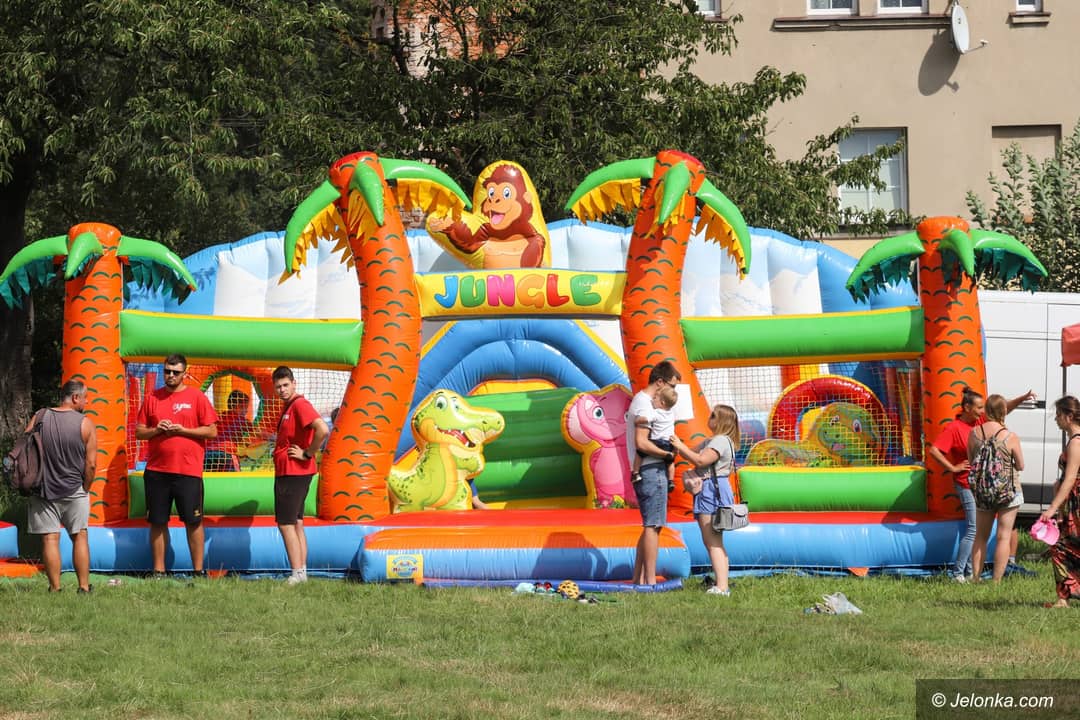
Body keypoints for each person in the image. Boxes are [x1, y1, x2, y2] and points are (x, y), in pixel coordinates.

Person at [927, 386, 1035, 582]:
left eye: (984, 408)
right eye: (978, 408)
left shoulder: (978, 425)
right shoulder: (954, 428)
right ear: (967, 407)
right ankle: (959, 572)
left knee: (978, 532)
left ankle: (971, 572)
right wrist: (952, 468)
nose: (982, 411)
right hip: (970, 485)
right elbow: (934, 450)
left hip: (982, 486)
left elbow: (1002, 409)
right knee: (974, 530)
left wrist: (1021, 398)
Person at [134, 354, 218, 578]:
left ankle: (198, 571)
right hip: (157, 472)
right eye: (167, 371)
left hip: (188, 472)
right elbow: (139, 432)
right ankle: (159, 571)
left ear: (184, 373)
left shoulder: (197, 397)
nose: (170, 376)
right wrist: (157, 430)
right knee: (157, 522)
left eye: (175, 372)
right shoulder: (152, 398)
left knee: (193, 521)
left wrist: (183, 430)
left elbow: (212, 431)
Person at [27, 380, 97, 593]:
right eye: (85, 398)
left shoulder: (39, 416)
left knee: (50, 538)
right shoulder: (85, 424)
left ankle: (55, 588)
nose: (86, 402)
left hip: (43, 489)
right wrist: (86, 487)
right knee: (80, 536)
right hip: (74, 488)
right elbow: (91, 464)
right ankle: (83, 587)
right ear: (75, 397)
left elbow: (26, 448)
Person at [671, 404, 739, 596]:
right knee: (716, 541)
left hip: (711, 490)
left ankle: (722, 587)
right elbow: (693, 453)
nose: (709, 417)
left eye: (714, 415)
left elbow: (701, 460)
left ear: (722, 421)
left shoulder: (720, 441)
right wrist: (679, 446)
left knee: (712, 541)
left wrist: (680, 446)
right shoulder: (717, 440)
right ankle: (722, 582)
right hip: (716, 489)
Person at [271, 366, 329, 585]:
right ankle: (301, 571)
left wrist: (308, 453)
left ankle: (297, 572)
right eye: (278, 387)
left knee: (286, 523)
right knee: (296, 523)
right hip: (293, 471)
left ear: (294, 383)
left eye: (286, 385)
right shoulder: (289, 407)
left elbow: (322, 429)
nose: (282, 390)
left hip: (293, 472)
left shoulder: (300, 405)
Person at [627, 360, 681, 585]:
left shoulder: (647, 403)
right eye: (671, 386)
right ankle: (650, 580)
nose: (673, 391)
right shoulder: (646, 405)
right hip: (652, 470)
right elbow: (642, 442)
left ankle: (639, 577)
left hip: (648, 470)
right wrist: (667, 455)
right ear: (660, 382)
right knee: (653, 526)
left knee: (650, 524)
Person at [966, 394, 1024, 582]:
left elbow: (971, 461)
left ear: (986, 410)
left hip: (983, 491)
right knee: (1003, 536)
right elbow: (1021, 465)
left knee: (980, 537)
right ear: (1003, 411)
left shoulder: (974, 434)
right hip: (1008, 491)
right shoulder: (1010, 436)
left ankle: (976, 577)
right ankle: (996, 581)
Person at [1041, 395, 1080, 608]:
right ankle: (1063, 597)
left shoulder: (1075, 442)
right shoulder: (1074, 440)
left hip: (1076, 504)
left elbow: (1071, 479)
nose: (1056, 419)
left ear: (1069, 416)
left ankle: (1063, 598)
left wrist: (1052, 508)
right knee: (1065, 546)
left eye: (1058, 415)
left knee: (1059, 546)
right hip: (1072, 503)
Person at [630, 385, 679, 492]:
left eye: (655, 398)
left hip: (657, 441)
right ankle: (671, 480)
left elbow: (646, 419)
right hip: (668, 443)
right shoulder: (672, 414)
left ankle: (635, 473)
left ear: (662, 403)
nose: (652, 399)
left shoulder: (656, 412)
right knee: (670, 462)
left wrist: (637, 421)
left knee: (640, 452)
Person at [205, 390, 255, 471]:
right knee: (234, 476)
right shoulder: (242, 420)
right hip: (226, 453)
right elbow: (258, 433)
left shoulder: (219, 417)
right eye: (245, 407)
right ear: (238, 406)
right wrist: (272, 437)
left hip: (208, 453)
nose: (246, 411)